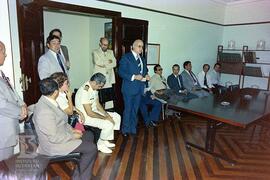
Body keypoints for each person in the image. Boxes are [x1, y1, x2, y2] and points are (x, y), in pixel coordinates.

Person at [33, 78, 97, 179]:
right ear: (55, 92)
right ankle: (82, 177)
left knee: (89, 135)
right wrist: (73, 135)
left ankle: (78, 174)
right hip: (53, 145)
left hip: (60, 136)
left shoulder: (48, 100)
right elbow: (54, 138)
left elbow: (61, 122)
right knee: (91, 148)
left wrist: (73, 130)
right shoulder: (44, 111)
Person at [75, 73, 121, 154]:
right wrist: (106, 118)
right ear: (94, 83)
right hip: (85, 117)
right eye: (99, 86)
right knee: (108, 124)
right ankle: (100, 144)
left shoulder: (94, 88)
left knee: (116, 117)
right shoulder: (85, 91)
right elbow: (89, 113)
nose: (100, 88)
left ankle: (104, 139)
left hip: (94, 112)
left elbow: (97, 104)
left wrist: (106, 114)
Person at [0, 41, 28, 161]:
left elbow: (12, 93)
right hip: (3, 132)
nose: (5, 55)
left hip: (7, 130)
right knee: (3, 166)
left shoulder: (1, 73)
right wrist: (20, 112)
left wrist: (23, 104)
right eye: (3, 52)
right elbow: (2, 104)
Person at [118, 39, 150, 137]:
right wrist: (134, 77)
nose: (141, 48)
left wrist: (146, 76)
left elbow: (144, 71)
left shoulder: (142, 59)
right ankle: (125, 130)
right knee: (128, 109)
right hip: (128, 89)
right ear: (133, 46)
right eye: (139, 46)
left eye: (142, 46)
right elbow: (121, 72)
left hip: (139, 89)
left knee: (135, 110)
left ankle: (133, 128)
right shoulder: (126, 57)